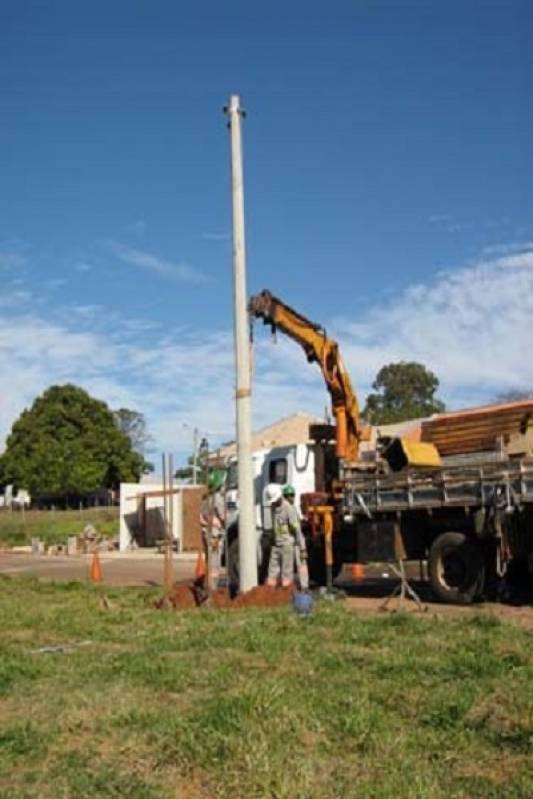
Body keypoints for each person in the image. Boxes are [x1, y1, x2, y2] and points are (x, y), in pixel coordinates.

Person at [265, 483, 306, 588]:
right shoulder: (272, 507)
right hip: (276, 544)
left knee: (286, 573)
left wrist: (302, 547)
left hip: (287, 545)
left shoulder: (289, 509)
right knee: (272, 572)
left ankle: (286, 593)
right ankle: (269, 594)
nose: (273, 503)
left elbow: (297, 529)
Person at [200, 470, 226, 591]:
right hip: (215, 535)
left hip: (206, 533)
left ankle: (208, 585)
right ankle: (213, 589)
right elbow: (223, 517)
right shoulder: (218, 498)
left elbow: (201, 518)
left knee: (209, 561)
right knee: (215, 562)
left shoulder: (205, 499)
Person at [282, 484, 308, 590]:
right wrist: (302, 546)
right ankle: (302, 587)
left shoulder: (286, 508)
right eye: (288, 495)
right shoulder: (289, 509)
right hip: (294, 542)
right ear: (284, 496)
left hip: (289, 541)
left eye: (292, 495)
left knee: (289, 567)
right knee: (300, 565)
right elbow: (296, 529)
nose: (290, 497)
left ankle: (290, 587)